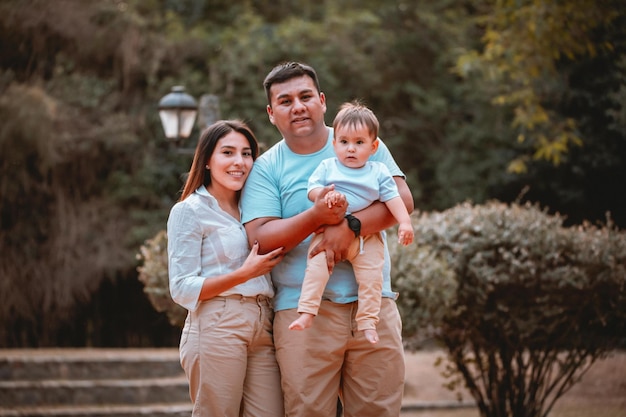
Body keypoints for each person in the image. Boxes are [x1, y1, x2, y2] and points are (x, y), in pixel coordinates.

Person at [241, 62, 414, 417]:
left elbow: (402, 200)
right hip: (304, 312)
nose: (298, 106)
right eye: (285, 101)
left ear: (322, 101)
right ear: (272, 114)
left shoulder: (359, 138)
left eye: (305, 96)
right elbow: (260, 238)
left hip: (373, 304)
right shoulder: (266, 167)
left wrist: (347, 226)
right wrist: (317, 217)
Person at [167, 120, 285, 417]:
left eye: (246, 154)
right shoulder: (189, 211)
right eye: (228, 153)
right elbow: (181, 287)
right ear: (207, 160)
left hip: (263, 322)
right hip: (217, 323)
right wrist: (244, 274)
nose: (239, 162)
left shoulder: (257, 209)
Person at [288, 101, 414, 345]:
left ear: (373, 146)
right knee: (315, 269)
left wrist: (405, 223)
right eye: (344, 142)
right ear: (334, 145)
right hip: (328, 233)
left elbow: (394, 198)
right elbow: (312, 189)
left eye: (359, 143)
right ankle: (306, 312)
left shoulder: (377, 171)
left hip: (367, 239)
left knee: (372, 278)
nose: (351, 149)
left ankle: (367, 323)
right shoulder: (328, 166)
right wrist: (325, 196)